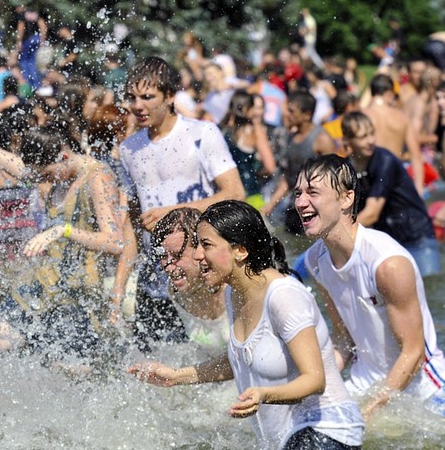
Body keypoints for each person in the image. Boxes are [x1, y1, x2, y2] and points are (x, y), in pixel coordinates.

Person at [130, 200, 364, 449]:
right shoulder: (235, 294)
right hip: (287, 439)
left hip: (327, 432)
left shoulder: (284, 296)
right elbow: (240, 359)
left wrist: (264, 394)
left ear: (240, 251)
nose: (198, 255)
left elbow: (315, 380)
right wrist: (177, 376)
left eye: (206, 245)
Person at [0, 122, 127, 366]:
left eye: (45, 174)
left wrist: (62, 231)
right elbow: (17, 167)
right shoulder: (57, 170)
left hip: (76, 302)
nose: (40, 181)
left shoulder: (97, 177)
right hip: (38, 291)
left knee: (67, 378)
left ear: (64, 156)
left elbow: (115, 241)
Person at [295, 154, 445, 421]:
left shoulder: (386, 264)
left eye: (313, 193)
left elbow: (414, 353)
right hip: (363, 384)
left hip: (423, 392)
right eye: (298, 193)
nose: (300, 203)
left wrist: (369, 412)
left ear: (346, 198)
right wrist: (312, 386)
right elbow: (343, 339)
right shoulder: (314, 261)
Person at [118, 57, 245, 351]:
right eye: (132, 98)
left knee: (224, 360)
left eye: (148, 97)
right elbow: (131, 226)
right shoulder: (128, 150)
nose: (138, 106)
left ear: (170, 95)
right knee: (156, 368)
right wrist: (120, 285)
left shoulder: (201, 134)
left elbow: (235, 193)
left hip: (206, 274)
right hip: (157, 279)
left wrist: (173, 214)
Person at [341, 111, 441, 277]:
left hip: (417, 237)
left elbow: (372, 214)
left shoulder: (385, 161)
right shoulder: (346, 167)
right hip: (389, 240)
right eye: (362, 137)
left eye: (372, 133)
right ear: (347, 140)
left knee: (430, 288)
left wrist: (338, 235)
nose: (371, 141)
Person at [151, 207, 228, 349]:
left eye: (177, 255)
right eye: (163, 256)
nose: (168, 267)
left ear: (201, 249)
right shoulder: (175, 293)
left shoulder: (233, 286)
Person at [262, 90, 335, 235]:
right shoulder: (291, 138)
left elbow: (334, 177)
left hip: (317, 210)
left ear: (307, 114)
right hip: (295, 207)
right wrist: (271, 204)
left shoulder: (322, 139)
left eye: (292, 111)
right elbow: (289, 179)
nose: (287, 114)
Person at [361, 74, 425, 195]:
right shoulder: (401, 118)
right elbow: (416, 156)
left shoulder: (363, 117)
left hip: (369, 178)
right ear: (389, 92)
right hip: (395, 178)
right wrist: (419, 190)